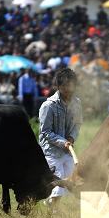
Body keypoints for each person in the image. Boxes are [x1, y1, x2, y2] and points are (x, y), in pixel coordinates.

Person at [39, 68, 82, 209]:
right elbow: (45, 132)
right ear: (58, 86)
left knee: (73, 184)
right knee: (57, 187)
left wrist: (72, 137)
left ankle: (54, 207)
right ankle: (53, 214)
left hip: (67, 152)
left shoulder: (76, 103)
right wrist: (63, 142)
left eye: (71, 85)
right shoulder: (48, 106)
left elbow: (77, 124)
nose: (68, 89)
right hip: (52, 153)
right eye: (64, 86)